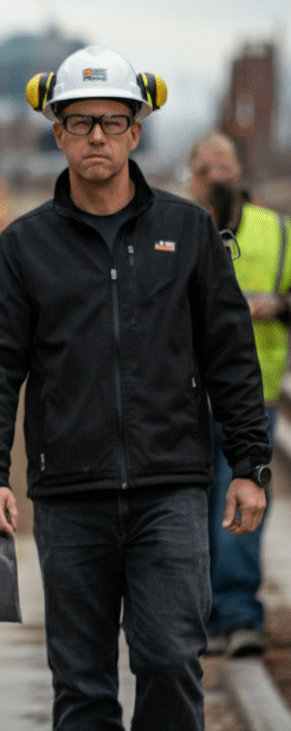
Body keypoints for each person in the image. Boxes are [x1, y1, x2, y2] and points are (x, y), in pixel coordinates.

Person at [0, 46, 272, 731]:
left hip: (171, 491)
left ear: (137, 131)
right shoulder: (24, 246)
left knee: (169, 660)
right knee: (82, 687)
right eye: (80, 123)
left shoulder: (187, 230)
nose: (97, 136)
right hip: (70, 499)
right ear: (58, 133)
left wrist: (250, 465)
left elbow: (230, 354)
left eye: (112, 121)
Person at [188, 131, 291, 657]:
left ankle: (239, 616)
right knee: (191, 508)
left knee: (242, 504)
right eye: (206, 165)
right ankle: (201, 617)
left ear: (240, 169)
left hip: (257, 395)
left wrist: (281, 306)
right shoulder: (175, 230)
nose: (216, 173)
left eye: (224, 163)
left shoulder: (277, 232)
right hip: (186, 400)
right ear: (192, 175)